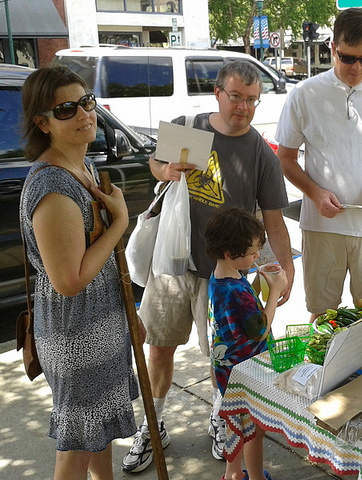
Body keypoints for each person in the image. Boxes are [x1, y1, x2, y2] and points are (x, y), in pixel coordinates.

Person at [121, 61, 295, 472]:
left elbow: (274, 219)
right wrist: (165, 170)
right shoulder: (189, 126)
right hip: (174, 262)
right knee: (159, 345)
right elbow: (155, 162)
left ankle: (221, 417)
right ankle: (153, 424)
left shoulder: (260, 153)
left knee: (226, 356)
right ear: (218, 92)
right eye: (236, 96)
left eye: (252, 99)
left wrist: (285, 269)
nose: (244, 107)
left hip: (226, 272)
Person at [19, 65, 139, 480]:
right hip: (76, 334)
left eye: (86, 102)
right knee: (76, 448)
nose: (85, 114)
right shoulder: (52, 188)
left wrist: (129, 315)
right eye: (66, 109)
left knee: (99, 431)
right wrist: (120, 221)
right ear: (43, 122)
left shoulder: (81, 168)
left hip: (101, 323)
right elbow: (68, 281)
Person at [275, 7, 362, 320]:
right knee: (323, 318)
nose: (357, 68)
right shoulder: (305, 94)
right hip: (322, 228)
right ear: (332, 48)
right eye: (348, 58)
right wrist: (315, 193)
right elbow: (285, 158)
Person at [205, 207, 286, 480]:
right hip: (245, 370)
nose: (257, 257)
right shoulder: (236, 291)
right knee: (253, 430)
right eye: (252, 253)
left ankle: (233, 473)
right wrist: (274, 290)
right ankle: (254, 476)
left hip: (226, 368)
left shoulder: (219, 279)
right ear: (230, 254)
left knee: (234, 424)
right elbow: (260, 329)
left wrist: (255, 272)